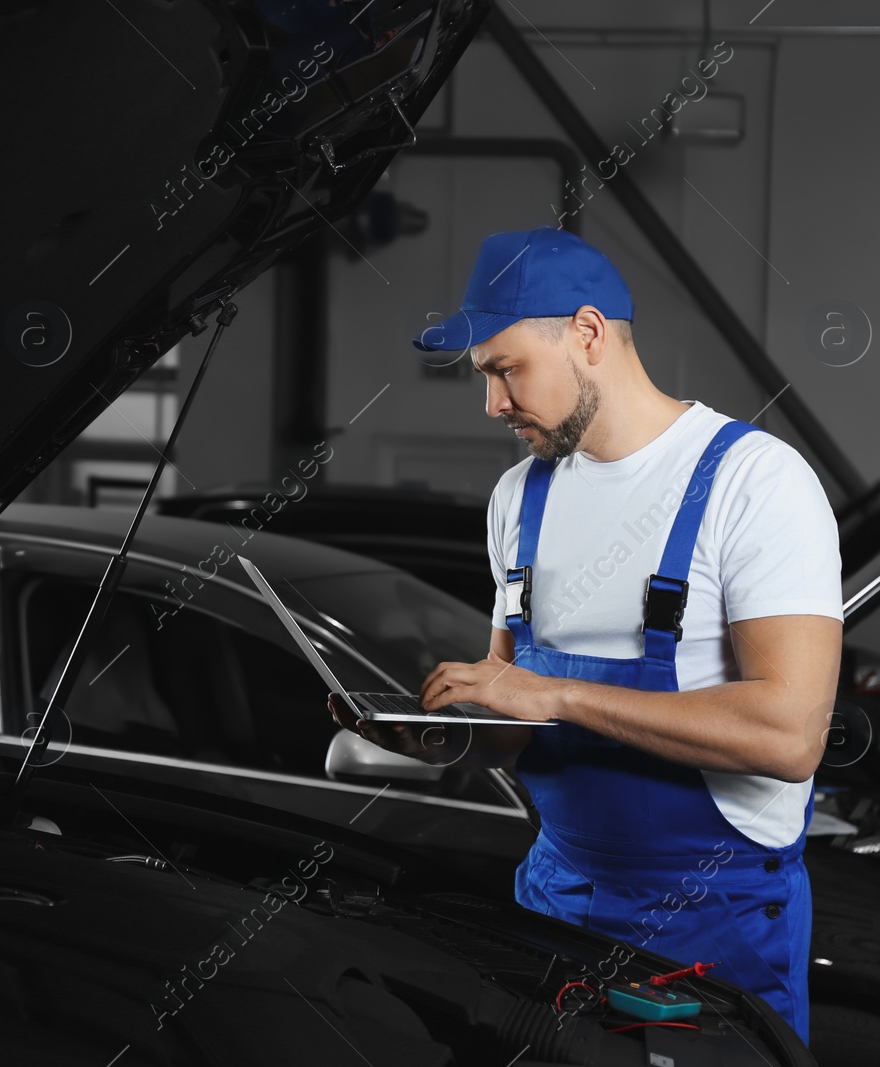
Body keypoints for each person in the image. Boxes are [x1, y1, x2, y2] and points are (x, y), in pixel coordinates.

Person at [327, 226, 842, 1044]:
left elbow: (790, 735)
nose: (492, 403)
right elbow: (514, 712)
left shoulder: (756, 483)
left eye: (505, 370)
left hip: (712, 919)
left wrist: (556, 692)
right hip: (555, 898)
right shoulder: (516, 499)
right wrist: (451, 735)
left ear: (589, 333)